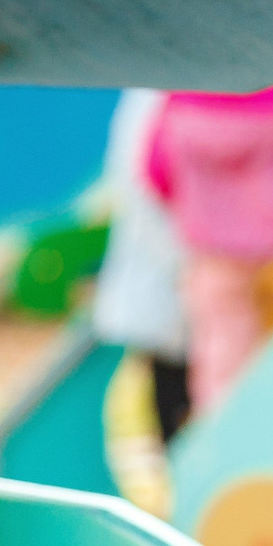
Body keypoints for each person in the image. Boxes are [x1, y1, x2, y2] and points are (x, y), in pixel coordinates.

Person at [144, 79, 273, 413]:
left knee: (223, 361)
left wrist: (204, 206)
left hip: (214, 252)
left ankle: (227, 454)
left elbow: (156, 173)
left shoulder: (179, 97)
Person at [87, 88, 194, 440]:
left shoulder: (150, 96)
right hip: (176, 262)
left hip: (186, 262)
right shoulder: (154, 97)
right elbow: (140, 179)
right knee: (175, 380)